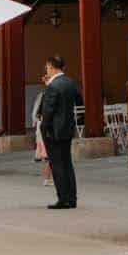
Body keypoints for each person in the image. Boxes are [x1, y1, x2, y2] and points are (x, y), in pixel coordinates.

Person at [37, 55, 84, 210]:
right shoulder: (70, 83)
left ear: (51, 66)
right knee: (67, 163)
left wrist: (44, 127)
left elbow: (48, 111)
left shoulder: (53, 86)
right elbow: (79, 101)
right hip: (67, 128)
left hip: (53, 130)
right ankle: (72, 198)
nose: (46, 70)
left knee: (57, 165)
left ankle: (63, 198)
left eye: (47, 67)